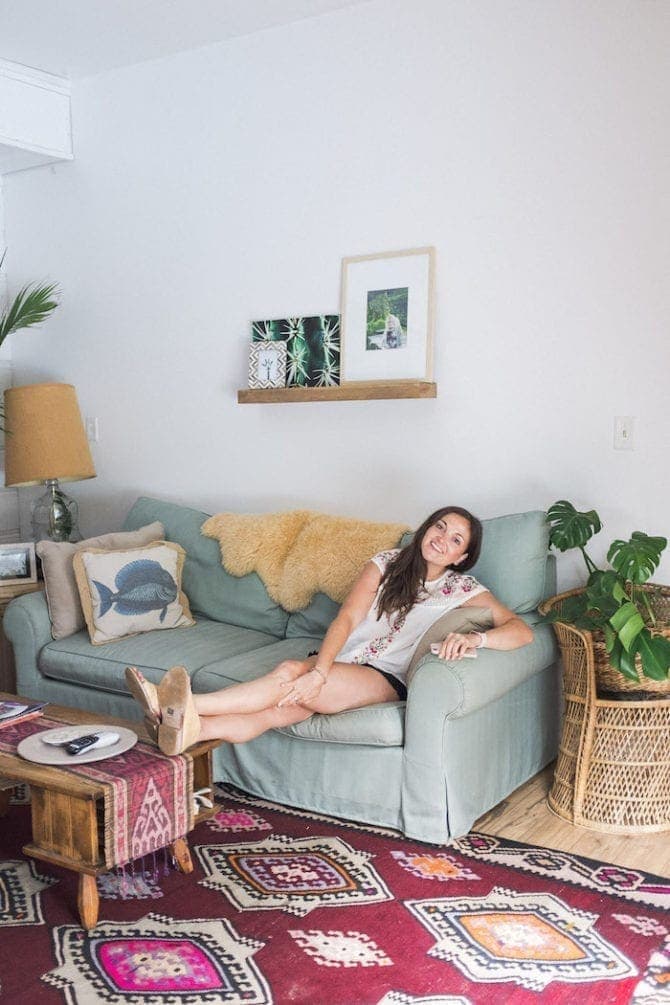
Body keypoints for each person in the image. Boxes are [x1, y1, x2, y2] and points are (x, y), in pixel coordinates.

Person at [125, 506, 534, 756]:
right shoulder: (386, 563)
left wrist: (477, 638)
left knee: (288, 672)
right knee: (276, 710)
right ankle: (189, 732)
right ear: (427, 528)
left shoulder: (462, 589)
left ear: (462, 557)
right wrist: (321, 667)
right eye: (439, 528)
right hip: (340, 663)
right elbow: (347, 619)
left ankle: (180, 703)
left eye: (455, 539)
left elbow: (521, 631)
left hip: (384, 677)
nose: (442, 539)